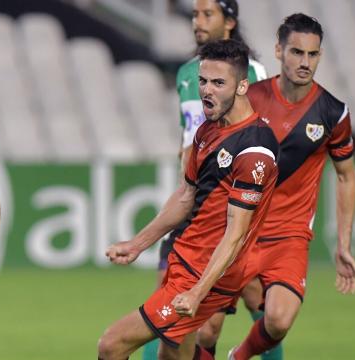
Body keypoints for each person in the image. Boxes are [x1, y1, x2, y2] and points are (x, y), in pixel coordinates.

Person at [98, 39, 279, 360]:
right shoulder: (208, 131)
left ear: (242, 86)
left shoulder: (255, 149)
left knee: (112, 345)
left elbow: (236, 234)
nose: (206, 90)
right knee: (172, 357)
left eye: (218, 83)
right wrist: (138, 244)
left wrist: (198, 292)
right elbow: (186, 196)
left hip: (206, 272)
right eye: (203, 81)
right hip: (188, 260)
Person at [147, 0, 279, 358]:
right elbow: (188, 134)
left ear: (230, 21)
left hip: (228, 205)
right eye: (195, 14)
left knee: (251, 315)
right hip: (192, 198)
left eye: (208, 14)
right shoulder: (186, 72)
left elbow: (259, 138)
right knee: (166, 313)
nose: (198, 22)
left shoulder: (253, 71)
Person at [226, 13, 355, 359]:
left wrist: (343, 244)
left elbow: (346, 175)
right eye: (296, 52)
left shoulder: (333, 113)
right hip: (239, 229)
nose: (304, 62)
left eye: (312, 55)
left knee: (279, 320)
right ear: (278, 51)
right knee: (205, 324)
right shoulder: (250, 99)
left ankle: (238, 356)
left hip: (289, 235)